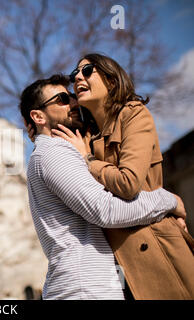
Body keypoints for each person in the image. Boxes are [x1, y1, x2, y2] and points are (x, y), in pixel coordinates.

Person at [32, 53, 194, 299]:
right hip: (116, 265)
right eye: (75, 74)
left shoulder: (133, 115)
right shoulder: (84, 137)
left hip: (154, 247)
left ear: (111, 79)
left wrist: (89, 160)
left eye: (87, 71)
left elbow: (128, 184)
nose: (77, 77)